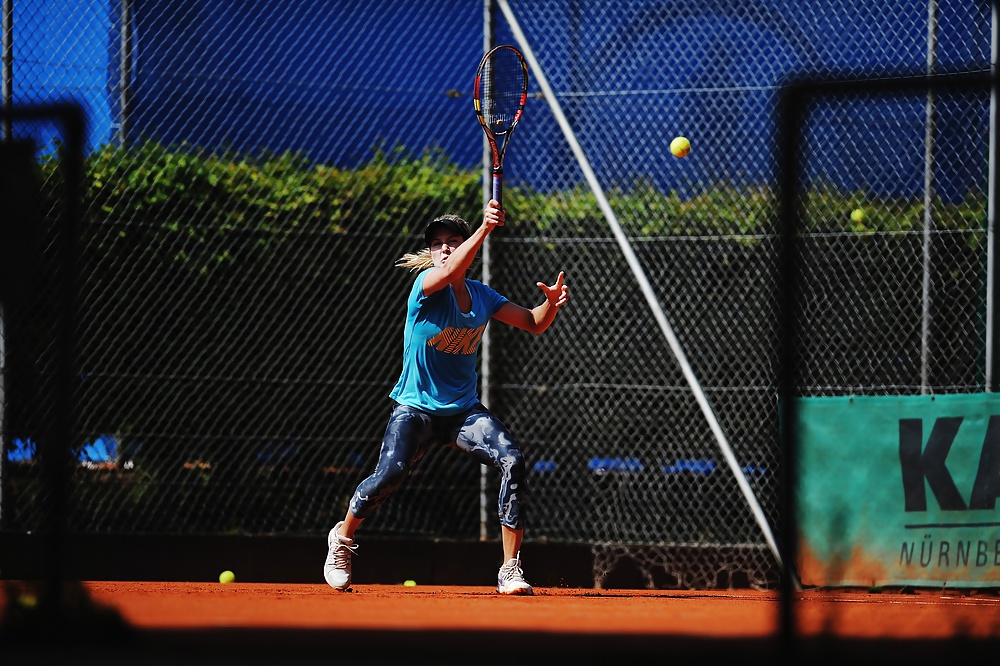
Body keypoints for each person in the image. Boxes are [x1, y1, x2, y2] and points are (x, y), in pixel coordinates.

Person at [323, 199, 569, 595]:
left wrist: (551, 304)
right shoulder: (424, 288)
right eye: (438, 243)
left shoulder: (483, 296)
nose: (446, 248)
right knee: (391, 475)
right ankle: (341, 538)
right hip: (415, 409)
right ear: (432, 252)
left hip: (463, 414)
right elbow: (452, 270)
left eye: (453, 240)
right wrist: (485, 229)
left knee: (513, 459)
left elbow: (533, 323)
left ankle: (510, 568)